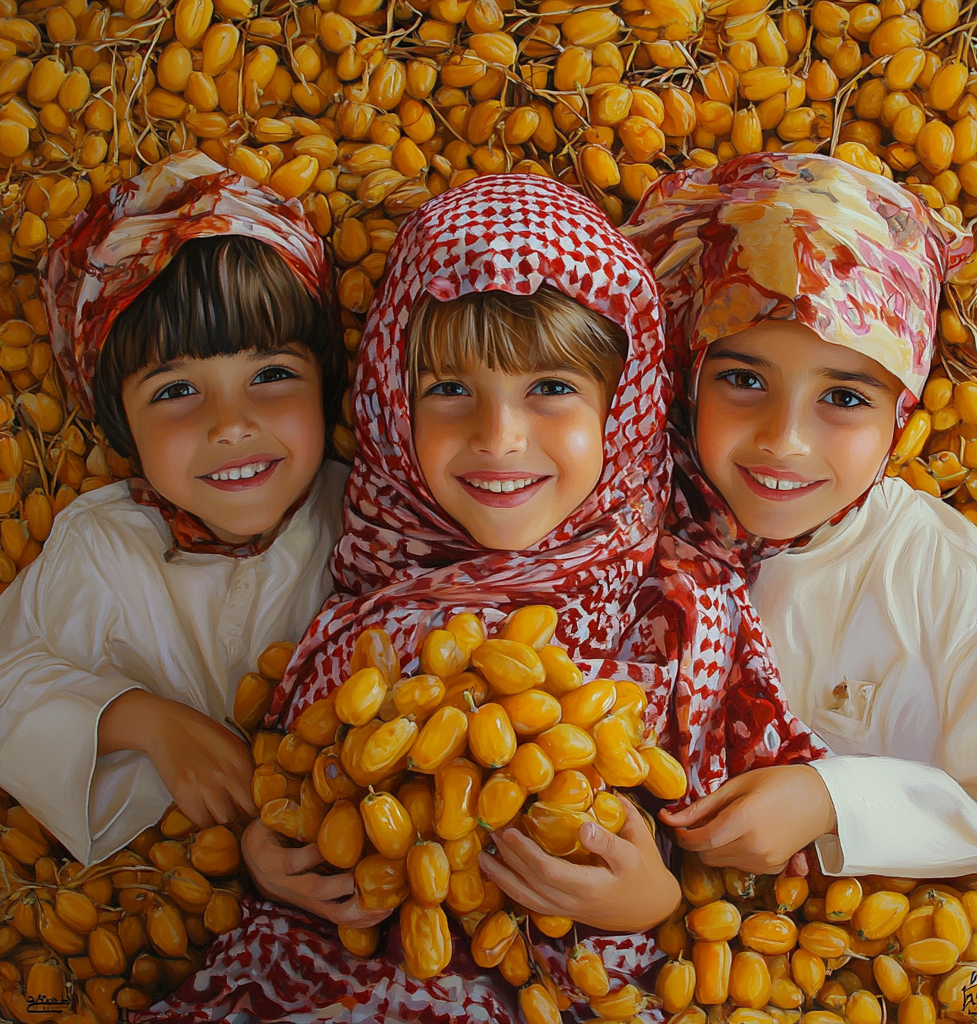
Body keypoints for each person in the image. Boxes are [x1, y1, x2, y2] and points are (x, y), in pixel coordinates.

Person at [149, 173, 826, 1024]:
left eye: (551, 388)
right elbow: (300, 773)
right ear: (392, 410)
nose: (498, 436)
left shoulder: (682, 607)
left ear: (626, 411)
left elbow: (739, 859)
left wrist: (648, 904)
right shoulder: (358, 581)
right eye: (448, 390)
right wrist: (273, 853)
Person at [624, 152, 977, 879]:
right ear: (688, 379)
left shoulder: (951, 578)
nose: (785, 440)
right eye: (744, 379)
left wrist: (832, 799)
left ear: (903, 417)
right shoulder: (626, 534)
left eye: (844, 398)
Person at [0, 151, 348, 867]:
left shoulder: (367, 520)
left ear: (328, 386)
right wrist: (141, 722)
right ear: (120, 425)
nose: (231, 423)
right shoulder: (102, 545)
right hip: (160, 892)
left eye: (272, 375)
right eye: (174, 391)